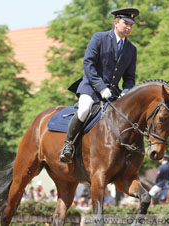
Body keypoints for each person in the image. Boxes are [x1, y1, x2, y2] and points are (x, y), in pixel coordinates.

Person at [59, 8, 139, 163]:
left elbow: (129, 77)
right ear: (116, 22)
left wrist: (126, 92)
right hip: (91, 88)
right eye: (126, 23)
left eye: (131, 25)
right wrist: (101, 87)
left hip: (113, 93)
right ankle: (68, 146)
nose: (129, 27)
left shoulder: (131, 49)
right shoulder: (99, 38)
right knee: (84, 110)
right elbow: (88, 63)